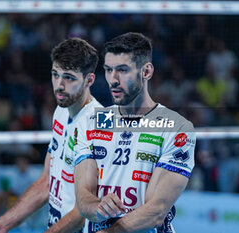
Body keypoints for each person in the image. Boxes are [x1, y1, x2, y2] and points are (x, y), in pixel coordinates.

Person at [0, 37, 101, 233]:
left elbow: (83, 210)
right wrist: (3, 223)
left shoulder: (96, 126)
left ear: (89, 80)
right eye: (55, 74)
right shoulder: (61, 111)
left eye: (68, 77)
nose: (59, 85)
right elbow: (47, 181)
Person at [73, 32, 196, 232]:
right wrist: (99, 207)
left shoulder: (177, 127)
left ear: (146, 71)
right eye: (108, 70)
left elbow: (156, 210)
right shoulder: (91, 122)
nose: (113, 80)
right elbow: (84, 197)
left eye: (122, 70)